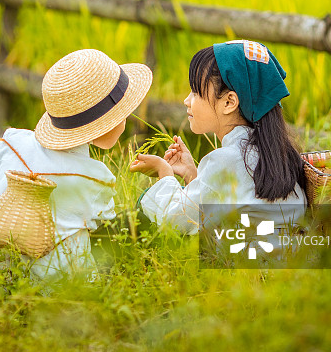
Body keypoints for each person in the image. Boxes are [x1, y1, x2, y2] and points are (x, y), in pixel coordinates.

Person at [0, 48, 152, 282]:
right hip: (54, 282)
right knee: (130, 224)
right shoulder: (97, 178)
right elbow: (103, 221)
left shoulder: (13, 143)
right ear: (105, 124)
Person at [129, 40, 307, 238]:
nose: (187, 101)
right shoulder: (278, 156)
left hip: (244, 257)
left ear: (229, 102)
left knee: (135, 219)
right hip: (284, 255)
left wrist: (165, 173)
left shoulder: (227, 160)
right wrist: (192, 175)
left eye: (195, 92)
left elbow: (176, 220)